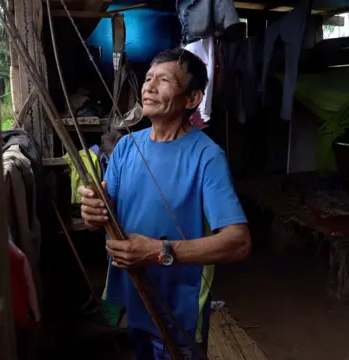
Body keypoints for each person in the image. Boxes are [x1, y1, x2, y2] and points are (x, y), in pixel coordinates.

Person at [77, 48, 251, 360]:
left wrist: (159, 252)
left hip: (179, 309)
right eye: (148, 79)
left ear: (193, 98)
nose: (149, 87)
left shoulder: (206, 157)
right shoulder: (127, 146)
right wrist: (91, 210)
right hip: (135, 297)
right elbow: (102, 215)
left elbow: (238, 243)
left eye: (164, 80)